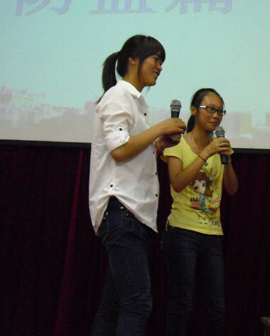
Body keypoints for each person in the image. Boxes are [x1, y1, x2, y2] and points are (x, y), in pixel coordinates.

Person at [89, 35, 186, 336]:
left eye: (161, 61)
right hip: (122, 210)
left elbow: (128, 149)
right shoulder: (119, 95)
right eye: (155, 59)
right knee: (137, 304)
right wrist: (159, 129)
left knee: (113, 305)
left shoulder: (135, 102)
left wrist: (157, 144)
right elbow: (119, 150)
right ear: (133, 59)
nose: (160, 67)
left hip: (133, 215)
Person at [161, 88, 238, 336]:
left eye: (220, 111)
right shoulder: (178, 145)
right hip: (182, 232)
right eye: (210, 109)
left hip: (213, 234)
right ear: (194, 111)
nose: (216, 116)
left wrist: (228, 161)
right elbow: (177, 182)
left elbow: (232, 189)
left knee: (216, 307)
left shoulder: (219, 149)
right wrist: (205, 153)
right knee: (181, 303)